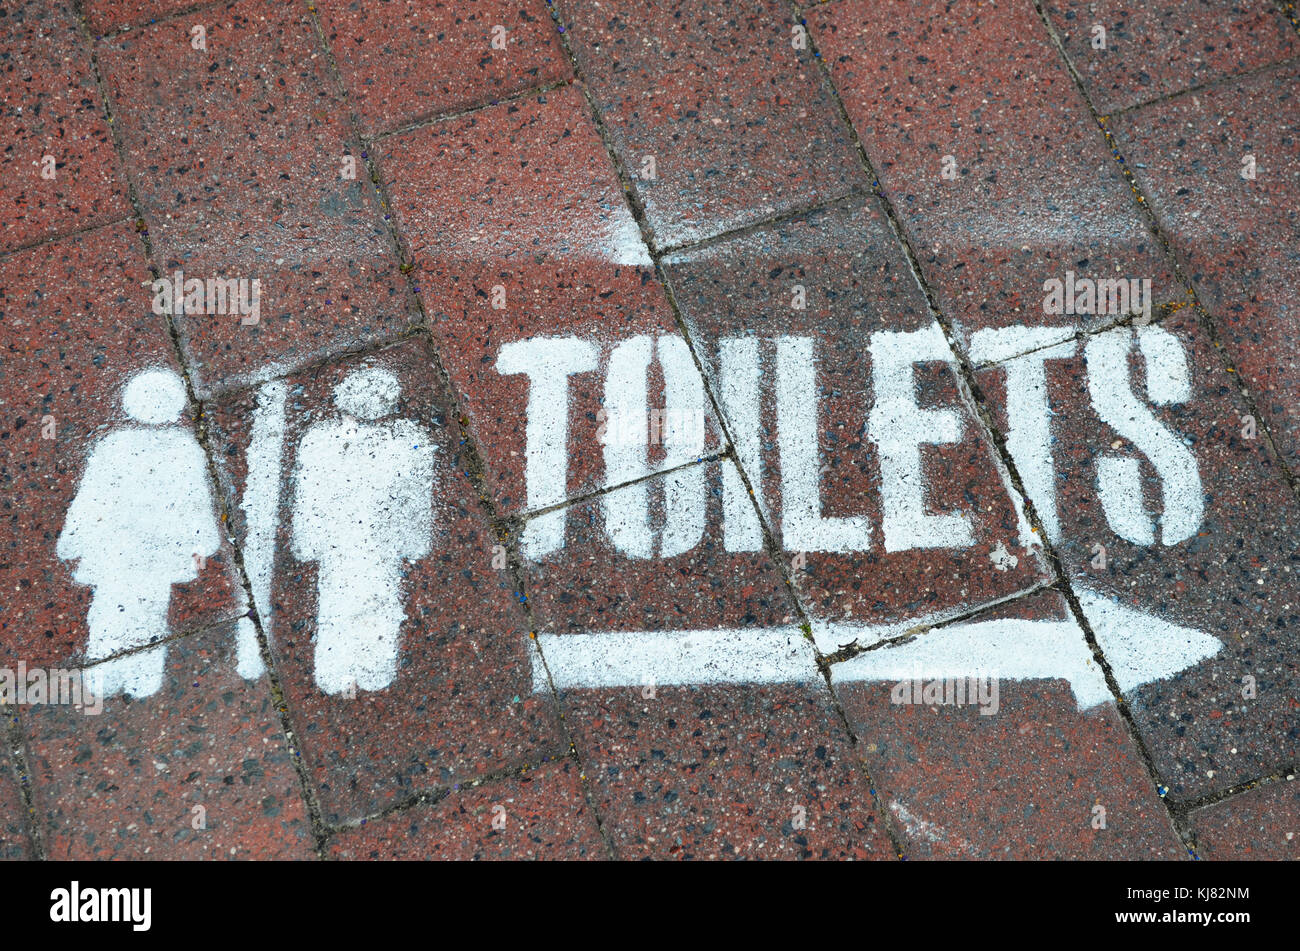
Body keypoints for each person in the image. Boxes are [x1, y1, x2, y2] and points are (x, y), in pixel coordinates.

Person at [57, 367, 219, 698]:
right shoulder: (186, 450)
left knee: (108, 611)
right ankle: (141, 678)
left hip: (116, 549)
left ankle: (102, 674)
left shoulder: (112, 446)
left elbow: (91, 498)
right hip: (159, 552)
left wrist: (72, 541)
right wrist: (202, 543)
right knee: (149, 614)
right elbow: (196, 502)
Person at [290, 367, 435, 695]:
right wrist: (415, 541)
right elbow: (416, 500)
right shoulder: (409, 441)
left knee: (340, 599)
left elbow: (308, 497)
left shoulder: (318, 440)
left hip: (343, 543)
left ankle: (342, 667)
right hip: (377, 543)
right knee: (376, 597)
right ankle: (371, 665)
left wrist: (307, 542)